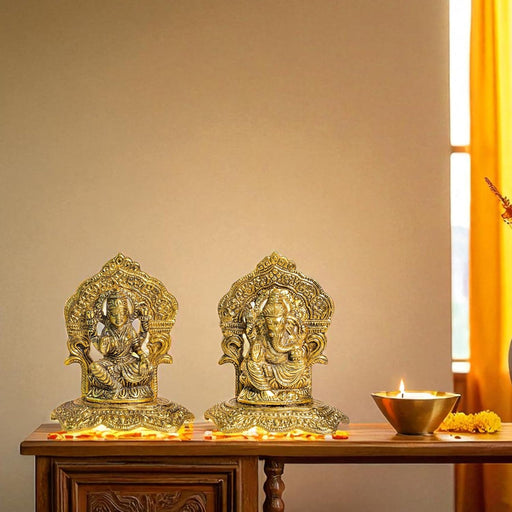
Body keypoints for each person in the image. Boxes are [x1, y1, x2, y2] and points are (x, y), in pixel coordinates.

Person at [86, 290, 153, 401]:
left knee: (149, 368)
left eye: (122, 314)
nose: (118, 318)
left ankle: (113, 384)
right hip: (111, 363)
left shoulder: (129, 329)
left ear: (127, 314)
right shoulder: (107, 331)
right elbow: (102, 350)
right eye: (114, 315)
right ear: (108, 316)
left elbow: (137, 347)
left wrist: (142, 358)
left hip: (128, 362)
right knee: (94, 367)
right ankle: (114, 386)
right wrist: (92, 328)